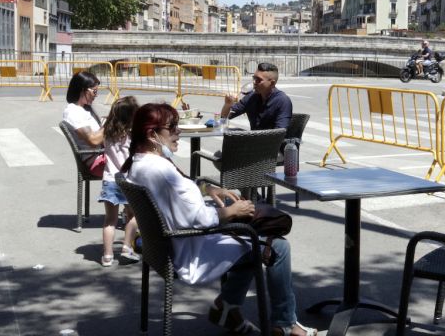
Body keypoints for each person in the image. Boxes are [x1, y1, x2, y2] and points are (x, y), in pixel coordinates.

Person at [121, 103, 316, 336]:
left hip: (167, 247)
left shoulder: (139, 164)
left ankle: (226, 308)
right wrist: (235, 211)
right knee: (277, 246)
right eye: (172, 127)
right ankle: (285, 324)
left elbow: (176, 197)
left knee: (252, 243)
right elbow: (199, 219)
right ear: (152, 134)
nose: (178, 131)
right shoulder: (161, 170)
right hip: (190, 249)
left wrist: (206, 189)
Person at [98, 96, 140, 267]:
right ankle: (126, 247)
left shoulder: (107, 131)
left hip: (110, 179)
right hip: (130, 179)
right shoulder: (133, 134)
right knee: (135, 214)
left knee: (110, 220)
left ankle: (107, 256)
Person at [221, 62, 292, 130]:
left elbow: (280, 132)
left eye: (258, 80)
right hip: (255, 140)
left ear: (272, 83)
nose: (254, 82)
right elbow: (225, 118)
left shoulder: (282, 101)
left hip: (273, 141)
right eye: (254, 78)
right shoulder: (251, 97)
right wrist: (228, 104)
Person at [63, 71, 105, 176]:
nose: (96, 95)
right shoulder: (73, 112)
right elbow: (94, 140)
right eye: (94, 91)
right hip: (96, 161)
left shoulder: (83, 109)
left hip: (100, 156)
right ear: (83, 90)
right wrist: (112, 123)